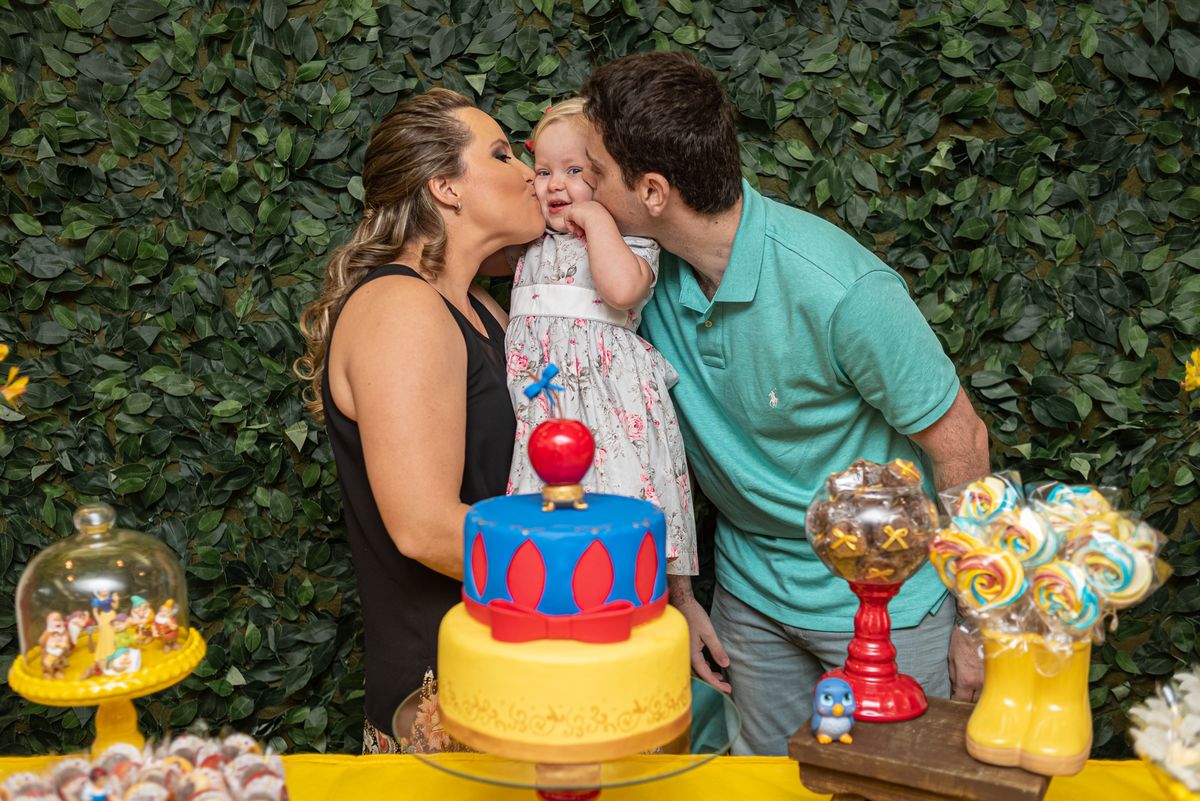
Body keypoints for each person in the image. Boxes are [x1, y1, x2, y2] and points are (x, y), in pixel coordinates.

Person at [577, 51, 991, 756]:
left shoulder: (841, 289)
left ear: (651, 190)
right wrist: (681, 598)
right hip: (749, 601)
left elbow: (964, 445)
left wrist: (978, 625)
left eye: (592, 171)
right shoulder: (632, 276)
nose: (576, 184)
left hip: (888, 605)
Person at [296, 88, 544, 753]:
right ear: (445, 187)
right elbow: (423, 525)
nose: (530, 172)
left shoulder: (482, 307)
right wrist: (590, 572)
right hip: (444, 699)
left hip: (521, 669)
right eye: (500, 154)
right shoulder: (402, 308)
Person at [495, 99, 696, 574]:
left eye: (575, 170)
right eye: (543, 171)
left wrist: (596, 219)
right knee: (545, 509)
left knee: (618, 499)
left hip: (607, 400)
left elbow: (622, 290)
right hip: (543, 400)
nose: (556, 184)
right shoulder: (529, 240)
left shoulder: (630, 241)